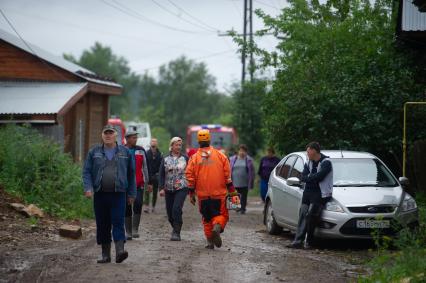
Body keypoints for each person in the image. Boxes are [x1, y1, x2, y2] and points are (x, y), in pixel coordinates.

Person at [82, 124, 136, 263]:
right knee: (103, 223)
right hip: (100, 194)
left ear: (116, 135)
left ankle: (119, 251)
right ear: (102, 135)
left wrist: (131, 194)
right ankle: (105, 255)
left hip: (119, 194)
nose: (108, 135)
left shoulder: (125, 152)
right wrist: (88, 188)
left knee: (118, 221)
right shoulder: (94, 152)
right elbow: (87, 171)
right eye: (105, 133)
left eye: (110, 133)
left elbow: (131, 174)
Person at [186, 129, 240, 249]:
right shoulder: (221, 155)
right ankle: (217, 226)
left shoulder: (194, 158)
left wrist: (191, 193)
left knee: (206, 219)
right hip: (219, 194)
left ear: (198, 141)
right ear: (209, 140)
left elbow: (190, 176)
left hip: (203, 196)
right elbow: (227, 176)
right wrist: (232, 191)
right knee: (221, 215)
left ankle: (210, 242)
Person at [287, 142, 333, 249]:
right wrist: (311, 177)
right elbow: (303, 177)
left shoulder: (326, 162)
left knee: (311, 216)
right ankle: (298, 241)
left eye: (308, 151)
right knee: (303, 214)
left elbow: (320, 177)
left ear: (314, 151)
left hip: (320, 193)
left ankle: (309, 242)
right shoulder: (308, 162)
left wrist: (309, 177)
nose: (307, 154)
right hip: (307, 192)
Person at [158, 137, 188, 241]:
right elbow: (161, 174)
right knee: (170, 213)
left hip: (182, 187)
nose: (179, 147)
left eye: (180, 145)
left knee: (176, 208)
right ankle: (175, 225)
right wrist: (161, 188)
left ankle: (176, 232)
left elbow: (190, 172)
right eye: (176, 145)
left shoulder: (185, 158)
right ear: (172, 146)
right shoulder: (165, 159)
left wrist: (192, 187)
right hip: (168, 188)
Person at [124, 130, 149, 240]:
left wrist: (148, 182)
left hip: (139, 183)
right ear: (127, 139)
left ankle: (135, 229)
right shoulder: (122, 150)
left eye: (136, 137)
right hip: (125, 185)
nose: (135, 139)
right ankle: (128, 231)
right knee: (127, 206)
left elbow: (145, 167)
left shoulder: (141, 151)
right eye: (133, 138)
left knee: (138, 203)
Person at [229, 144, 255, 214]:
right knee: (235, 194)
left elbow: (252, 172)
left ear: (246, 152)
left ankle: (243, 209)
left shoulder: (249, 160)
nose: (242, 152)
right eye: (240, 151)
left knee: (244, 196)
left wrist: (251, 181)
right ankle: (236, 208)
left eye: (244, 151)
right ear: (238, 151)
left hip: (245, 181)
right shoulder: (232, 159)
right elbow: (229, 169)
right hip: (234, 181)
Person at [145, 138, 163, 213]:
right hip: (148, 174)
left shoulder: (160, 154)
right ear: (150, 143)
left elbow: (161, 165)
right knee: (147, 191)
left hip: (156, 175)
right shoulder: (146, 153)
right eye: (152, 141)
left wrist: (159, 174)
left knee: (155, 192)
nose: (154, 143)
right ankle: (146, 206)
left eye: (155, 141)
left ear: (157, 144)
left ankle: (153, 207)